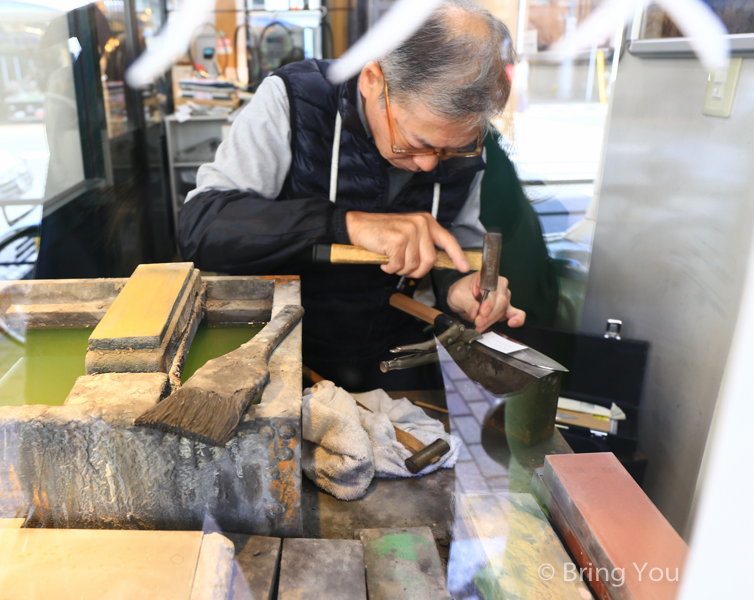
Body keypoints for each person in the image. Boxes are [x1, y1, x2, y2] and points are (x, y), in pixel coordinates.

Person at [179, 0, 528, 391]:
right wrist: (346, 225)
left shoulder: (463, 140)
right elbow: (203, 226)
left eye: (449, 150)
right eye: (414, 143)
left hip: (397, 362)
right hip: (283, 359)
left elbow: (457, 239)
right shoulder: (294, 100)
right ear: (372, 80)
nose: (431, 165)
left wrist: (458, 285)